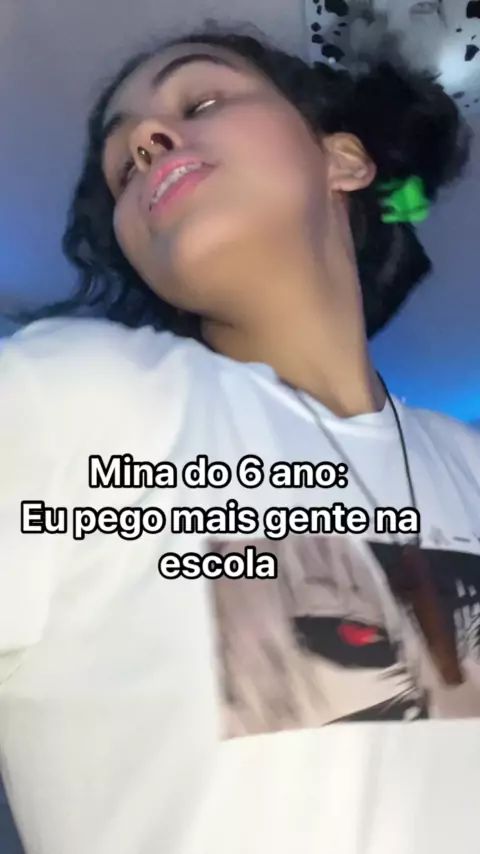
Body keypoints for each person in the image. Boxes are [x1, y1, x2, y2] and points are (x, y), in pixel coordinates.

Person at [1, 23, 480, 854]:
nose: (147, 143)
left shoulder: (468, 460)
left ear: (344, 160)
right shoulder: (71, 399)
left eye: (201, 102)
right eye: (122, 167)